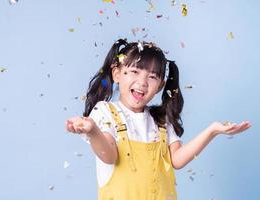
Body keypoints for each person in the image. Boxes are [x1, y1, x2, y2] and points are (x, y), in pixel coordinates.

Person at [65, 39, 251, 200]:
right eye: (135, 71)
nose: (143, 82)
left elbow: (177, 160)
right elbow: (109, 155)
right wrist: (93, 131)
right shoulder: (105, 112)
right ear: (117, 73)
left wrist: (212, 131)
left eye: (152, 76)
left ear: (161, 85)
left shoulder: (160, 121)